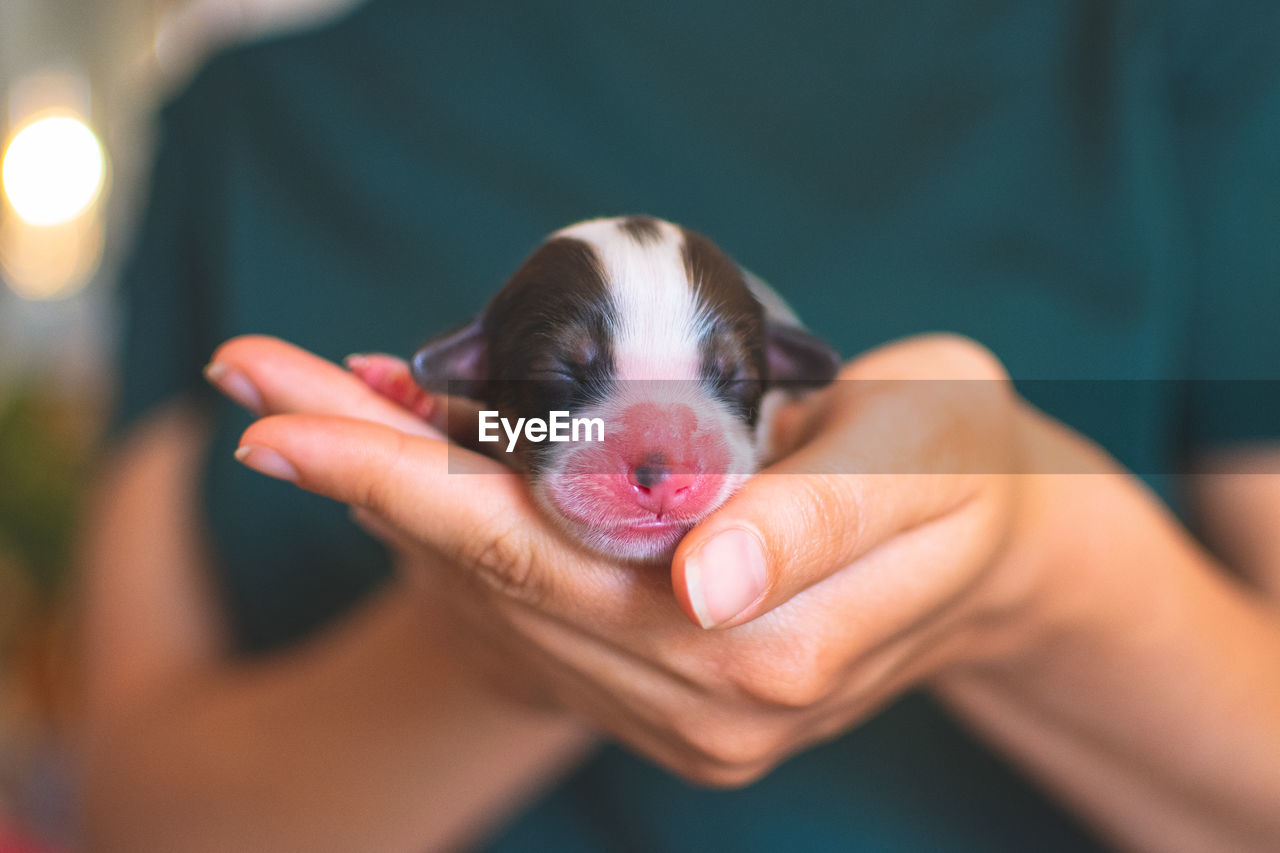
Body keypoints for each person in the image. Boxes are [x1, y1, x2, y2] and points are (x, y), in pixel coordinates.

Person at [76, 1, 1280, 850]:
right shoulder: (248, 123)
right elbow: (138, 818)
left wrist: (1030, 571)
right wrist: (475, 653)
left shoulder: (1192, 41)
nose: (657, 452)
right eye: (568, 378)